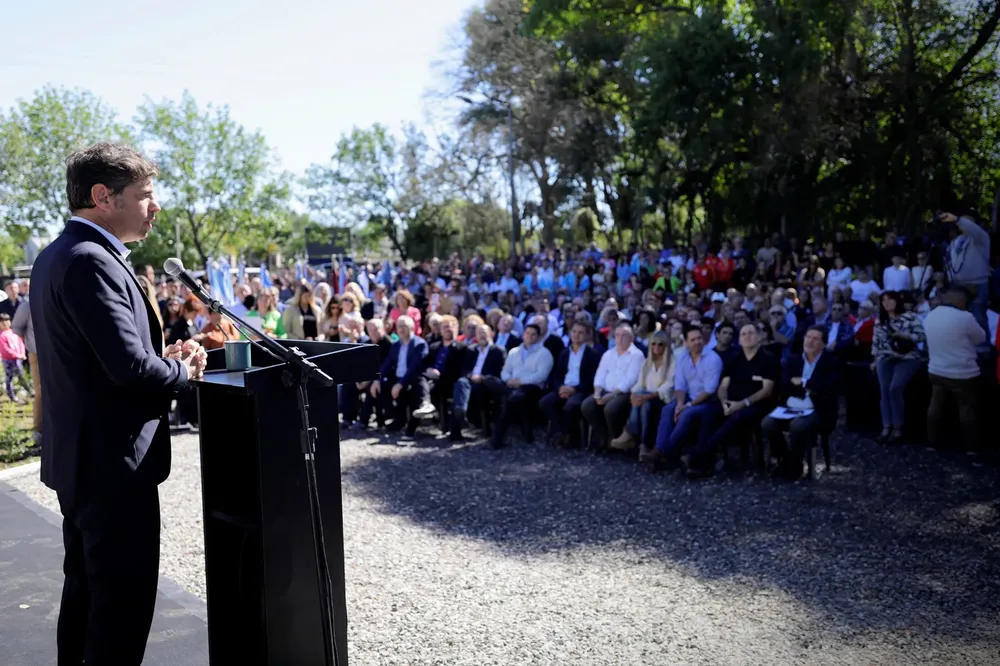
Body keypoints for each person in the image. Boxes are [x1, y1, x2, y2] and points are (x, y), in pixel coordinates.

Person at [30, 142, 206, 665]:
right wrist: (184, 369)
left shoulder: (60, 254)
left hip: (87, 464)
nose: (156, 207)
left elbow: (108, 359)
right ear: (103, 196)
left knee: (85, 602)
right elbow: (130, 370)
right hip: (111, 471)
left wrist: (161, 357)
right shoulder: (90, 260)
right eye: (145, 195)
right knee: (118, 615)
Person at [761, 326, 840, 480]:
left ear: (823, 343)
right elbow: (785, 384)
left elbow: (829, 386)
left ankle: (795, 466)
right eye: (808, 337)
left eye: (815, 338)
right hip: (793, 405)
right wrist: (810, 386)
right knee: (767, 423)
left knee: (798, 426)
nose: (810, 341)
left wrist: (804, 382)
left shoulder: (831, 362)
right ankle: (786, 460)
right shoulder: (793, 360)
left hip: (818, 408)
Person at [923, 287, 985, 452]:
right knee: (966, 409)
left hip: (936, 370)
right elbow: (981, 338)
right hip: (963, 373)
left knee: (935, 406)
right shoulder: (965, 317)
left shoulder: (931, 315)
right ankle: (971, 448)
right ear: (960, 301)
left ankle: (933, 443)